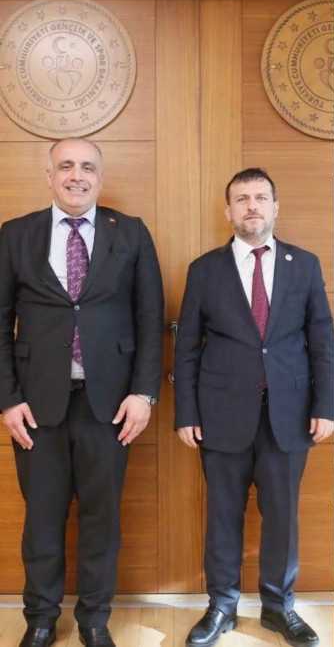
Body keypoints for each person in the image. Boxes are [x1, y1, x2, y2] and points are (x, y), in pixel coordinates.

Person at [0, 138, 164, 647]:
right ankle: (41, 619)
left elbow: (150, 319)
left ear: (100, 176)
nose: (77, 175)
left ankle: (95, 619)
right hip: (35, 407)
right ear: (49, 175)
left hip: (109, 406)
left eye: (87, 167)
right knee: (42, 519)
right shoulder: (15, 235)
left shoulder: (131, 233)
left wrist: (144, 394)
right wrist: (7, 399)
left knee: (102, 518)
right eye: (66, 166)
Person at [174, 168, 334, 647]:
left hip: (290, 415)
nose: (252, 206)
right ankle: (221, 606)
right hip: (220, 415)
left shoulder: (305, 265)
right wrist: (186, 413)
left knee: (282, 517)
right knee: (223, 515)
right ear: (228, 211)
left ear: (275, 206)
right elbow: (186, 349)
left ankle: (278, 607)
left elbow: (322, 341)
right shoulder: (204, 270)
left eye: (261, 197)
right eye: (241, 198)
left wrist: (326, 405)